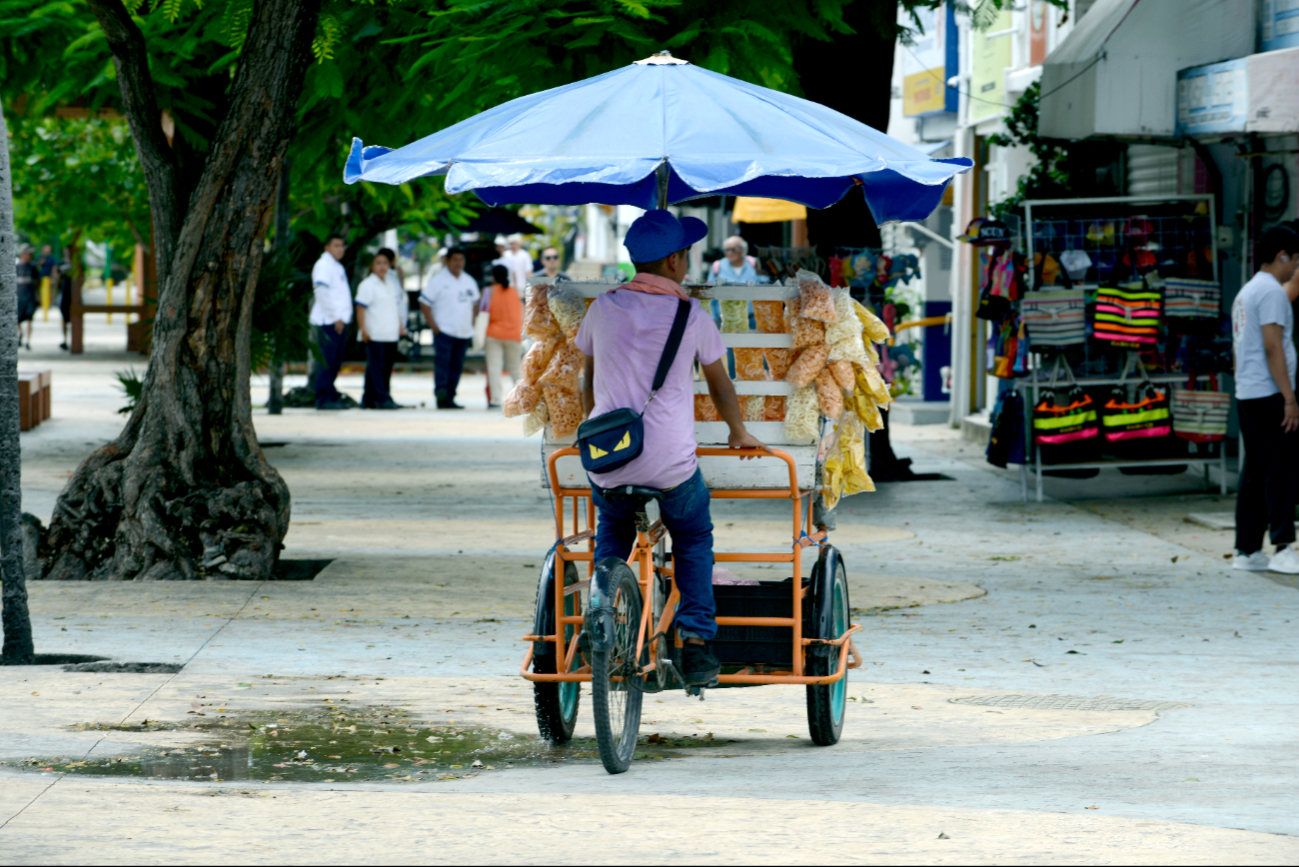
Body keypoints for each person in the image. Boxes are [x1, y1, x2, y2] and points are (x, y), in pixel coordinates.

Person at [575, 210, 767, 687]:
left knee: (613, 530)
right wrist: (738, 431)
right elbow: (721, 385)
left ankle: (597, 614)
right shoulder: (692, 316)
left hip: (609, 458)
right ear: (676, 261)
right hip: (671, 463)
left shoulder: (602, 308)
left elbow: (587, 380)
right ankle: (697, 642)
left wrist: (590, 423)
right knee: (693, 537)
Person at [1231, 223, 1299, 574]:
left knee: (1255, 472)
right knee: (1280, 471)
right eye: (1295, 259)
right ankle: (1284, 546)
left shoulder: (1247, 291)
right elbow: (1273, 347)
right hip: (1270, 393)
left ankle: (1246, 550)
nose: (1295, 267)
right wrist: (1289, 398)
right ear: (1281, 256)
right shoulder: (1270, 292)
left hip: (1248, 392)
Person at [419, 246, 480, 409]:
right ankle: (441, 395)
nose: (458, 263)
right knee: (443, 363)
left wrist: (473, 321)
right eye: (455, 260)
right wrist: (433, 325)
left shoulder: (469, 281)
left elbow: (476, 302)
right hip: (444, 330)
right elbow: (424, 302)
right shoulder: (438, 281)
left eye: (461, 259)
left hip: (463, 332)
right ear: (447, 261)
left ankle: (451, 397)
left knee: (457, 365)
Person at [355, 249, 408, 410]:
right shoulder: (368, 285)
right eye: (378, 263)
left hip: (390, 333)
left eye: (385, 263)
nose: (382, 266)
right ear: (372, 266)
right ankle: (383, 397)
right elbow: (360, 308)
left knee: (382, 368)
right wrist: (363, 329)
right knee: (377, 367)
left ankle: (369, 399)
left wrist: (400, 325)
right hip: (375, 333)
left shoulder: (390, 283)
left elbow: (395, 307)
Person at [310, 233, 353, 410]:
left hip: (338, 321)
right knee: (326, 360)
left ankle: (330, 394)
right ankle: (323, 398)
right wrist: (335, 317)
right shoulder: (323, 265)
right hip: (329, 321)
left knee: (335, 361)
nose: (340, 249)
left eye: (342, 245)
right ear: (327, 247)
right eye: (336, 245)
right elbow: (321, 293)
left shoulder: (336, 266)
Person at [479, 264, 523, 408]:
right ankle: (522, 398)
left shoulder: (487, 291)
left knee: (494, 368)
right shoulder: (517, 291)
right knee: (515, 368)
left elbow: (482, 311)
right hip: (514, 334)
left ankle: (496, 400)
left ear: (493, 276)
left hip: (494, 334)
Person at [15, 245, 37, 350]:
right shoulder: (15, 266)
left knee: (30, 318)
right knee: (17, 319)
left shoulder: (32, 267)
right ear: (23, 254)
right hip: (18, 297)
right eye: (29, 253)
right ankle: (20, 334)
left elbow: (37, 281)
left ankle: (28, 341)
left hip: (30, 297)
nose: (31, 256)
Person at [57, 260, 72, 351]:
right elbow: (58, 278)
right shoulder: (61, 263)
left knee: (72, 319)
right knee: (64, 319)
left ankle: (70, 340)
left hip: (71, 295)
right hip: (64, 294)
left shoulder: (75, 264)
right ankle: (65, 340)